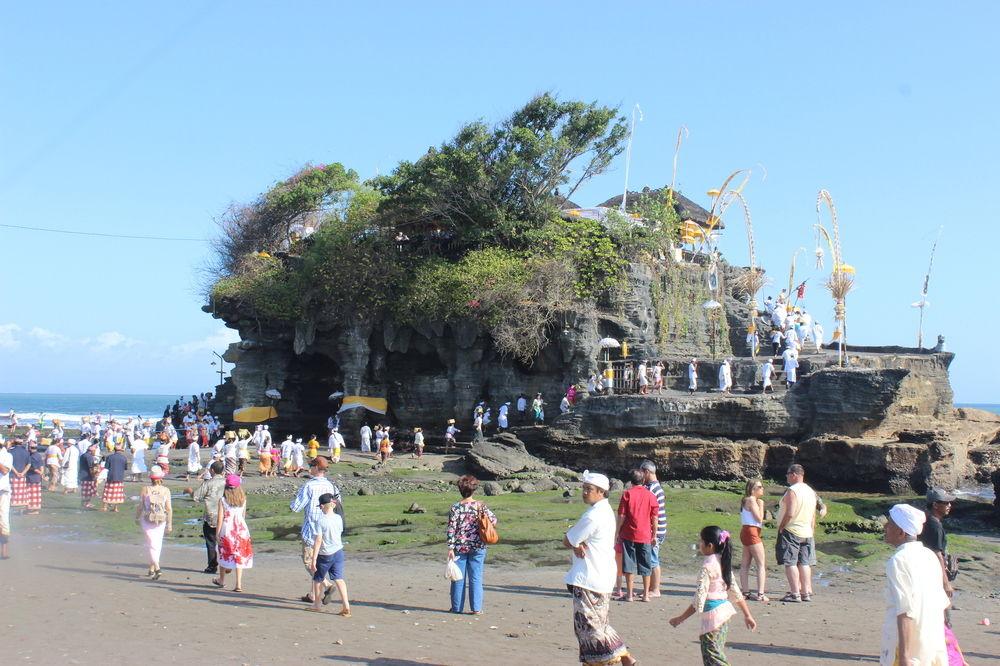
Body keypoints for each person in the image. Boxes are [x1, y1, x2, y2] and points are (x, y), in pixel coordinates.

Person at [563, 471, 636, 666]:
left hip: (589, 577)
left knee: (588, 628)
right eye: (584, 489)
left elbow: (568, 539)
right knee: (599, 624)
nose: (585, 493)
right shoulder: (605, 512)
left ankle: (610, 660)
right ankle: (625, 656)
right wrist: (577, 543)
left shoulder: (594, 515)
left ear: (601, 492)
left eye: (589, 489)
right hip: (602, 576)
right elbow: (575, 540)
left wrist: (574, 542)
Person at [669, 526, 757, 665]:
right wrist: (747, 615)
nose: (699, 544)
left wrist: (680, 618)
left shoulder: (707, 567)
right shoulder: (723, 561)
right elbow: (735, 591)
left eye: (701, 541)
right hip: (724, 614)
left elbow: (699, 599)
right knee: (715, 653)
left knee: (712, 656)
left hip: (713, 617)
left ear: (709, 545)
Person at [881, 503, 949, 666]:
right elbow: (942, 606)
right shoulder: (929, 556)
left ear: (901, 532)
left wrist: (904, 656)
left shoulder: (898, 561)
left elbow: (905, 611)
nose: (885, 526)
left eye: (890, 523)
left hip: (909, 649)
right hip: (933, 645)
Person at [290, 456, 343, 603]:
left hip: (312, 529)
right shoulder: (332, 486)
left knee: (309, 562)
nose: (309, 468)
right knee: (319, 562)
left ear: (316, 468)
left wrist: (292, 502)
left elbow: (296, 507)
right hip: (329, 530)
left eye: (311, 466)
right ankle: (313, 595)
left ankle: (327, 585)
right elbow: (338, 503)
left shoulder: (309, 486)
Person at [446, 474, 497, 614]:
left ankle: (456, 608)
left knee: (457, 578)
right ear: (474, 489)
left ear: (460, 489)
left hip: (459, 547)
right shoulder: (480, 506)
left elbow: (451, 529)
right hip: (478, 546)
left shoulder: (455, 508)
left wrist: (450, 547)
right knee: (476, 577)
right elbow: (493, 520)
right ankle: (476, 609)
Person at [615, 469, 659, 602]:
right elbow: (655, 517)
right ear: (643, 480)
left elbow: (621, 515)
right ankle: (646, 595)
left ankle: (629, 594)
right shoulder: (650, 495)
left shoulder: (627, 494)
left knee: (629, 565)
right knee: (645, 565)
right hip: (645, 534)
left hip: (629, 534)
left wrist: (617, 531)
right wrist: (654, 534)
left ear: (631, 481)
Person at [776, 464, 817, 602]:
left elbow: (790, 512)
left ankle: (795, 593)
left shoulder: (792, 490)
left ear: (794, 474)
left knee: (791, 562)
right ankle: (805, 592)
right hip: (806, 531)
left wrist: (782, 526)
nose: (786, 476)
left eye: (788, 474)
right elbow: (813, 514)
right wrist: (812, 529)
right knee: (804, 563)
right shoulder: (810, 491)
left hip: (792, 529)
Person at [307, 492, 351, 616]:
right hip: (338, 551)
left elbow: (318, 540)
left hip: (325, 554)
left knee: (317, 579)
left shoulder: (321, 521)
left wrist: (314, 559)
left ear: (322, 506)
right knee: (339, 579)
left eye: (320, 505)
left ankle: (317, 605)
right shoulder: (338, 518)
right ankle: (346, 606)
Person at [213, 474, 253, 592]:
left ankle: (222, 579)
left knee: (223, 552)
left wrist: (217, 533)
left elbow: (220, 518)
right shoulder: (243, 499)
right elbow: (243, 516)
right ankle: (238, 584)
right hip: (241, 529)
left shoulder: (223, 500)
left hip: (227, 529)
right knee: (239, 555)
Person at [920, 488, 957, 599]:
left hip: (925, 572)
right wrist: (946, 583)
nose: (949, 505)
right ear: (935, 505)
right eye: (946, 503)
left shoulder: (926, 519)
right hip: (932, 575)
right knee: (941, 610)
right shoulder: (934, 525)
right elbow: (937, 555)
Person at [136, 465, 172, 579]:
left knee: (151, 544)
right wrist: (170, 524)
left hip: (147, 519)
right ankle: (151, 569)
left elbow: (140, 506)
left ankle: (156, 567)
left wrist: (137, 517)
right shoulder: (166, 490)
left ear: (150, 478)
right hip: (161, 520)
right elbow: (169, 508)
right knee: (156, 544)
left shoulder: (145, 489)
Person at [640, 460, 667, 598]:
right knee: (651, 558)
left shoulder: (652, 489)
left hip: (656, 530)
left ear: (647, 472)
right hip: (659, 529)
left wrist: (653, 534)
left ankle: (655, 589)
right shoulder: (656, 487)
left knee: (653, 559)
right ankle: (651, 587)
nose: (641, 477)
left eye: (641, 473)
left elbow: (652, 513)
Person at [193, 461, 226, 574]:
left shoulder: (208, 483)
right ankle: (226, 564)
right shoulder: (227, 482)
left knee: (211, 542)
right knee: (224, 542)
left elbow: (196, 496)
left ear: (212, 470)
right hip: (226, 517)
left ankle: (212, 566)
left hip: (212, 516)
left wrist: (189, 491)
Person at [739, 479, 768, 602]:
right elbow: (759, 518)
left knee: (745, 563)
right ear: (752, 489)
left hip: (747, 531)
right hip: (752, 532)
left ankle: (745, 592)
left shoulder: (747, 500)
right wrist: (761, 505)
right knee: (761, 564)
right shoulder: (751, 500)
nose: (762, 489)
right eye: (760, 487)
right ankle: (760, 594)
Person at [101, 444, 128, 512]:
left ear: (114, 449)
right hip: (119, 477)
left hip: (111, 477)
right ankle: (115, 508)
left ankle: (105, 507)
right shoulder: (124, 458)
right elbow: (125, 468)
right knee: (118, 494)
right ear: (121, 450)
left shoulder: (109, 457)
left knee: (107, 492)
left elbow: (106, 467)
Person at [0, 438, 12, 558]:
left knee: (3, 520)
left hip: (2, 492)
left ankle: (4, 550)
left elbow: (4, 470)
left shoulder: (7, 456)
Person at [24, 443, 44, 514]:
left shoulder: (31, 456)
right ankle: (35, 509)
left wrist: (42, 474)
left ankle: (33, 510)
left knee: (31, 495)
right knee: (36, 495)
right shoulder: (38, 455)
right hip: (37, 478)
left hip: (32, 477)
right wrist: (42, 473)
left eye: (31, 448)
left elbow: (35, 469)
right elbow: (41, 465)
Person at [79, 442, 100, 509]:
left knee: (86, 491)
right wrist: (94, 475)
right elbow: (91, 467)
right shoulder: (89, 456)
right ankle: (86, 503)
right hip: (87, 476)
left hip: (83, 475)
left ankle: (85, 503)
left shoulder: (83, 455)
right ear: (92, 450)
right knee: (87, 491)